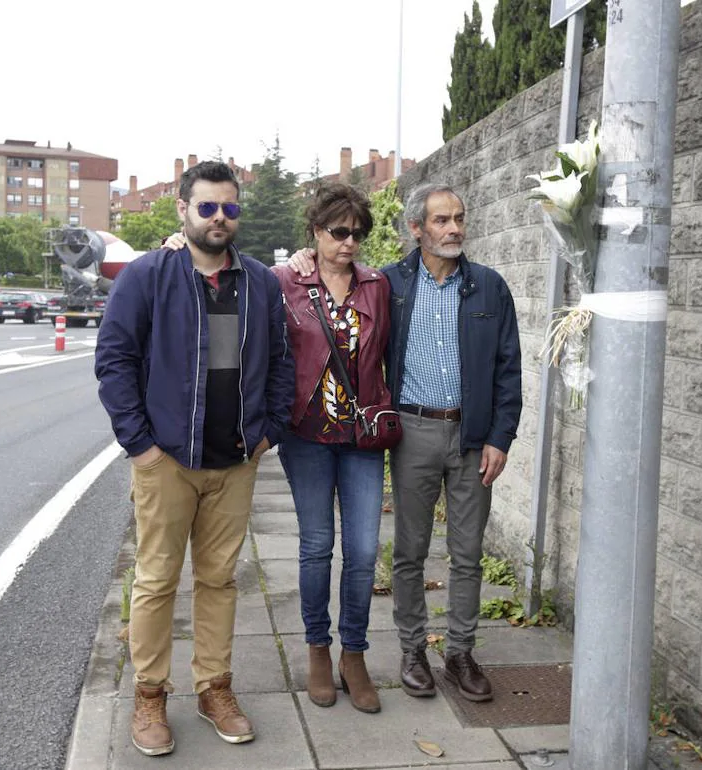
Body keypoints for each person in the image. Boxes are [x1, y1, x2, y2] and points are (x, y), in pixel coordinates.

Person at [288, 182, 521, 704]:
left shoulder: (489, 287)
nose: (454, 228)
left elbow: (509, 367)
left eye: (459, 218)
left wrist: (500, 437)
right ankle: (413, 650)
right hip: (411, 432)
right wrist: (308, 254)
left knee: (468, 552)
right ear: (416, 229)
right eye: (441, 220)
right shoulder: (388, 284)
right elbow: (329, 281)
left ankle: (460, 651)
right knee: (409, 552)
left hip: (473, 436)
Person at [166, 183, 392, 713]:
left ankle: (353, 653)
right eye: (339, 232)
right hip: (306, 435)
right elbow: (219, 274)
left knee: (362, 552)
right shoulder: (283, 280)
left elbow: (391, 351)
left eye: (358, 233)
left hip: (361, 436)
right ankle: (318, 648)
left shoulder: (377, 285)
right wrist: (175, 243)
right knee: (317, 545)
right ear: (315, 231)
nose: (349, 243)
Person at [95, 160, 295, 756]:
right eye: (207, 207)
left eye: (229, 208)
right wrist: (142, 447)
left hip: (235, 460)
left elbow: (282, 363)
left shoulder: (259, 282)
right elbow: (114, 360)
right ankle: (150, 697)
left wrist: (268, 432)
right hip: (168, 461)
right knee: (156, 580)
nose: (218, 218)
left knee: (219, 580)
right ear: (183, 210)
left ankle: (214, 689)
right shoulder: (149, 276)